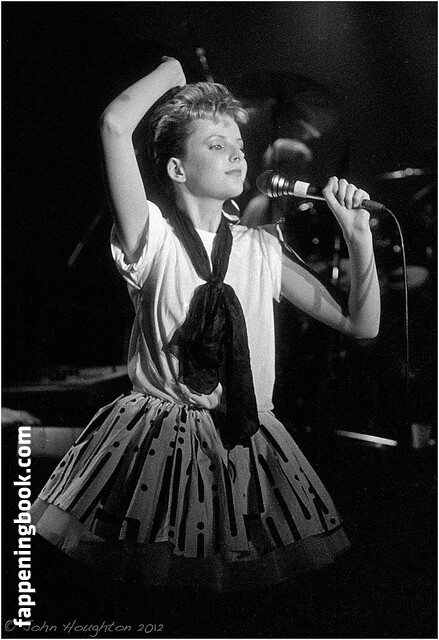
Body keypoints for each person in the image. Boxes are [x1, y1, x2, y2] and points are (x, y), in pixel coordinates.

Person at [30, 57, 380, 593]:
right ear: (177, 169)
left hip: (244, 438)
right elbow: (115, 125)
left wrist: (359, 240)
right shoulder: (153, 238)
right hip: (159, 440)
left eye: (238, 144)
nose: (237, 154)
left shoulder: (261, 248)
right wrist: (173, 71)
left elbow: (361, 324)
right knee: (156, 588)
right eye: (216, 145)